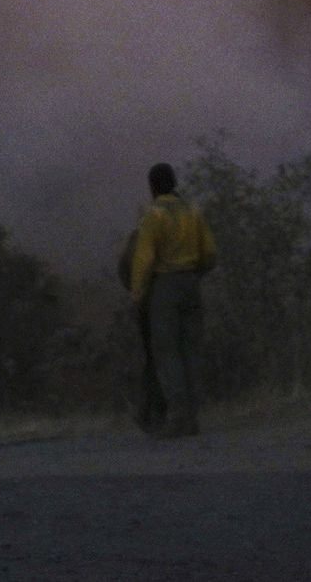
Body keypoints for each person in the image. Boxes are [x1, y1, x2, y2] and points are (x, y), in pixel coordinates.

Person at [122, 162, 219, 438]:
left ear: (152, 187)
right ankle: (192, 417)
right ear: (175, 183)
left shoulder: (153, 216)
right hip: (192, 284)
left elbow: (144, 261)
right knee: (190, 349)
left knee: (167, 353)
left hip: (165, 287)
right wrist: (196, 274)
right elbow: (211, 254)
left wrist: (137, 296)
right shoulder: (193, 211)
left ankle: (178, 418)